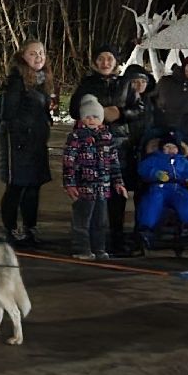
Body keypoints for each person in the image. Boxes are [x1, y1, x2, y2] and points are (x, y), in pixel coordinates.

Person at [68, 44, 136, 253]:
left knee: (116, 193)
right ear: (95, 62)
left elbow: (139, 108)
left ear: (116, 62)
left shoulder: (125, 84)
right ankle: (87, 242)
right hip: (91, 145)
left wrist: (121, 113)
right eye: (101, 59)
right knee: (92, 197)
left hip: (119, 143)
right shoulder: (87, 84)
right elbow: (73, 110)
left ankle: (116, 238)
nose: (105, 63)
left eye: (109, 59)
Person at [0, 39, 56, 247]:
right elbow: (8, 114)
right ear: (23, 56)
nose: (39, 57)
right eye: (33, 53)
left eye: (41, 53)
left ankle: (31, 229)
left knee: (33, 189)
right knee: (16, 188)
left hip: (37, 143)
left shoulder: (41, 80)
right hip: (19, 144)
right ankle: (11, 230)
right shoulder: (16, 81)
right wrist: (20, 138)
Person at [63, 97, 126, 260]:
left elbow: (114, 162)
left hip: (102, 188)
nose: (92, 120)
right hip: (84, 188)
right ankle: (81, 249)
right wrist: (70, 184)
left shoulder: (107, 138)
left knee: (100, 221)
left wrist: (118, 182)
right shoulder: (76, 137)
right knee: (82, 220)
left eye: (96, 117)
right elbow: (68, 162)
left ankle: (99, 248)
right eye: (88, 117)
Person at [136, 132, 188, 236]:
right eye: (168, 147)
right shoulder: (154, 159)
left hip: (177, 188)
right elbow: (143, 169)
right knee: (152, 201)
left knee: (186, 200)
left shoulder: (182, 161)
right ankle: (146, 226)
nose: (171, 150)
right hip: (159, 187)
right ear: (162, 148)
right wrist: (155, 173)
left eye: (174, 147)